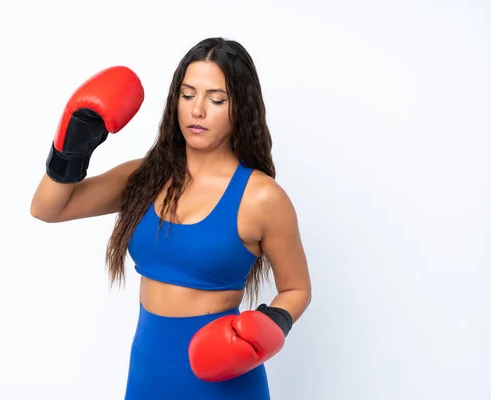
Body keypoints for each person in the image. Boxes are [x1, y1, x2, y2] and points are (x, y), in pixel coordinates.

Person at [30, 37, 312, 399]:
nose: (197, 110)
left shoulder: (261, 197)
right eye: (187, 94)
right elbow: (48, 208)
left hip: (222, 374)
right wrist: (70, 151)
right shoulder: (144, 177)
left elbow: (297, 288)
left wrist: (270, 324)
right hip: (148, 368)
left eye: (216, 99)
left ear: (240, 107)